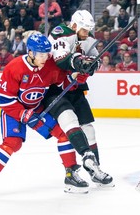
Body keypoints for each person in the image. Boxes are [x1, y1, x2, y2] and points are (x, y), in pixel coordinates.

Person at [0, 34, 100, 199]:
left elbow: (64, 84)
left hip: (37, 109)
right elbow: (4, 99)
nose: (45, 57)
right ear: (30, 53)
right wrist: (23, 114)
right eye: (41, 54)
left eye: (47, 53)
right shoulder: (14, 67)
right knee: (13, 143)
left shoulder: (50, 65)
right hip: (14, 111)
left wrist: (81, 75)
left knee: (64, 136)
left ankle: (71, 177)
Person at [47, 10, 114, 188]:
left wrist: (91, 66)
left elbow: (94, 57)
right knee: (70, 121)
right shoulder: (59, 32)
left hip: (75, 87)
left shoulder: (87, 37)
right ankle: (82, 160)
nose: (87, 33)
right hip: (55, 87)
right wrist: (80, 63)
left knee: (89, 129)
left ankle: (95, 170)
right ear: (75, 25)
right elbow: (61, 59)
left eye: (89, 30)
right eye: (84, 29)